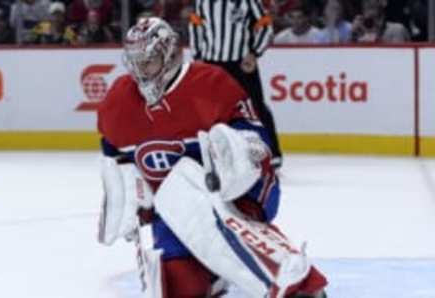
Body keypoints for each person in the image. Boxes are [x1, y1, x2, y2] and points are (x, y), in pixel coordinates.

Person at [97, 17, 327, 298]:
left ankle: (298, 285)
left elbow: (257, 142)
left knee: (191, 193)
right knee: (177, 286)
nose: (140, 70)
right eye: (134, 62)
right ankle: (212, 272)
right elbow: (116, 157)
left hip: (238, 192)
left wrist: (237, 156)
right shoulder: (119, 100)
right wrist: (131, 197)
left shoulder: (210, 84)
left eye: (148, 61)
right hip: (172, 212)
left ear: (169, 55)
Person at [188, 0, 283, 168]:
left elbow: (265, 24)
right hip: (211, 64)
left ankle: (272, 151)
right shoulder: (203, 2)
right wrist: (197, 57)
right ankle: (206, 153)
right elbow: (195, 27)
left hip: (241, 64)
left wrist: (254, 53)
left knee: (255, 107)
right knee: (206, 110)